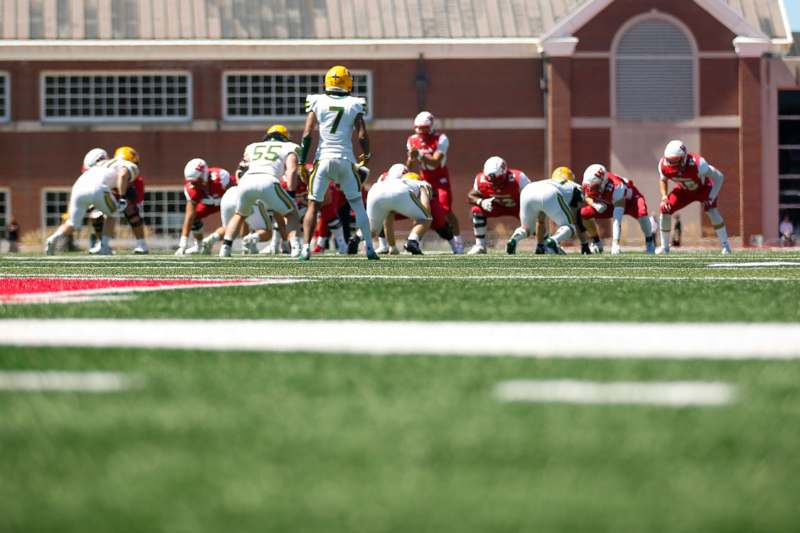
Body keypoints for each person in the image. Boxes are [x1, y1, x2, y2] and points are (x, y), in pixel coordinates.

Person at [298, 65, 377, 260]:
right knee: (358, 205)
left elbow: (307, 133)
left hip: (323, 159)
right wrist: (366, 154)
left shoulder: (316, 101)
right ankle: (369, 249)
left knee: (313, 206)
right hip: (345, 159)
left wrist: (301, 162)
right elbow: (362, 134)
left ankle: (305, 248)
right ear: (348, 82)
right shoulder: (355, 103)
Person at [220, 124, 302, 257]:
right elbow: (292, 170)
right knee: (292, 213)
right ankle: (296, 247)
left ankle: (225, 247)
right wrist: (291, 194)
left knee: (240, 214)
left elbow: (240, 170)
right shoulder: (290, 146)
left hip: (246, 181)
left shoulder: (252, 146)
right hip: (269, 181)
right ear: (285, 137)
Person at [45, 147, 139, 255]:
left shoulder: (98, 165)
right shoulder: (129, 165)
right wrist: (122, 197)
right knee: (113, 213)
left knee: (72, 223)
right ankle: (104, 246)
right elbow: (123, 174)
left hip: (78, 186)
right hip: (98, 187)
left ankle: (53, 238)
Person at [657, 140, 730, 254]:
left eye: (675, 161)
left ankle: (726, 246)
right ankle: (664, 247)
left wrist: (711, 197)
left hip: (703, 189)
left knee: (712, 211)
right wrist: (664, 197)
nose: (673, 165)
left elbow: (719, 177)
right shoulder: (663, 165)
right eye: (670, 161)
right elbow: (663, 180)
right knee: (665, 209)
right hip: (683, 191)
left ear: (684, 157)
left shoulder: (698, 164)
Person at [406, 111, 464, 254]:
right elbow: (409, 166)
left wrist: (419, 154)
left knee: (446, 210)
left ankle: (458, 241)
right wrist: (411, 158)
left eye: (424, 128)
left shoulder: (441, 138)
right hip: (424, 180)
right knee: (420, 210)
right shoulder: (412, 140)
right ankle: (415, 241)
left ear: (431, 127)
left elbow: (436, 162)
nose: (421, 131)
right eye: (418, 128)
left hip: (440, 179)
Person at [506, 167, 589, 255]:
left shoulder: (547, 182)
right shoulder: (574, 186)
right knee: (570, 226)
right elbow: (577, 220)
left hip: (527, 190)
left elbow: (540, 221)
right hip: (550, 193)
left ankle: (514, 239)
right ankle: (553, 240)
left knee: (526, 228)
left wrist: (540, 245)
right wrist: (585, 244)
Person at [580, 164, 656, 254]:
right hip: (610, 203)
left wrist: (615, 243)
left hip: (631, 201)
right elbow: (587, 196)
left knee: (642, 213)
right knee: (584, 213)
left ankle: (649, 241)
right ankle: (597, 242)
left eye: (595, 187)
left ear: (603, 182)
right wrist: (595, 205)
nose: (592, 190)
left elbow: (617, 219)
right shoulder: (593, 184)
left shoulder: (616, 187)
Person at [467, 156, 529, 254]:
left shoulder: (518, 178)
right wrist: (481, 202)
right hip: (496, 206)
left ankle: (543, 243)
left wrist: (529, 212)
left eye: (498, 179)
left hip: (516, 206)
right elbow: (470, 196)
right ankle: (480, 245)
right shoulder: (481, 180)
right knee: (476, 210)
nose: (495, 183)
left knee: (533, 215)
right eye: (491, 180)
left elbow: (532, 197)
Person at [175, 160, 236, 255]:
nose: (194, 184)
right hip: (209, 203)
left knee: (235, 219)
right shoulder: (191, 188)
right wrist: (182, 244)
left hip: (226, 200)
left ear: (204, 174)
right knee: (194, 218)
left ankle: (211, 240)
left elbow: (236, 195)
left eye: (196, 180)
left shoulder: (220, 177)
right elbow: (189, 216)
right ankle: (199, 246)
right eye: (192, 181)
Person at [366, 171, 433, 255]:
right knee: (426, 218)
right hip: (402, 192)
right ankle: (412, 241)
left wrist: (393, 247)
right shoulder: (421, 183)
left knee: (373, 229)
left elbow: (387, 225)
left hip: (375, 189)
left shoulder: (393, 181)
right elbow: (426, 210)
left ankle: (356, 237)